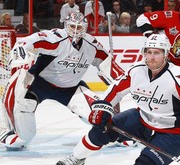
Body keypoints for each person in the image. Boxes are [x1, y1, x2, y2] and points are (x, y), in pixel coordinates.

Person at [54, 34, 180, 165]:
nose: (152, 57)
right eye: (148, 52)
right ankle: (76, 158)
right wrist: (102, 107)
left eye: (157, 53)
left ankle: (153, 150)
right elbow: (115, 90)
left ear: (166, 54)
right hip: (143, 118)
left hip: (172, 131)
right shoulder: (137, 70)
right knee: (101, 129)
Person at [0, 12, 124, 150]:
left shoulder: (91, 45)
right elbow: (26, 42)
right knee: (23, 138)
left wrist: (116, 78)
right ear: (66, 25)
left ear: (85, 27)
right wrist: (21, 54)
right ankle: (6, 133)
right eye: (72, 26)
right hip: (38, 84)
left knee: (100, 116)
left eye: (79, 27)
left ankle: (121, 134)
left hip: (70, 88)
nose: (76, 31)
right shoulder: (56, 38)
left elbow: (109, 65)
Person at [136, 0, 180, 90]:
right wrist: (153, 37)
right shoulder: (169, 17)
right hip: (157, 60)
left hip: (176, 65)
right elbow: (142, 19)